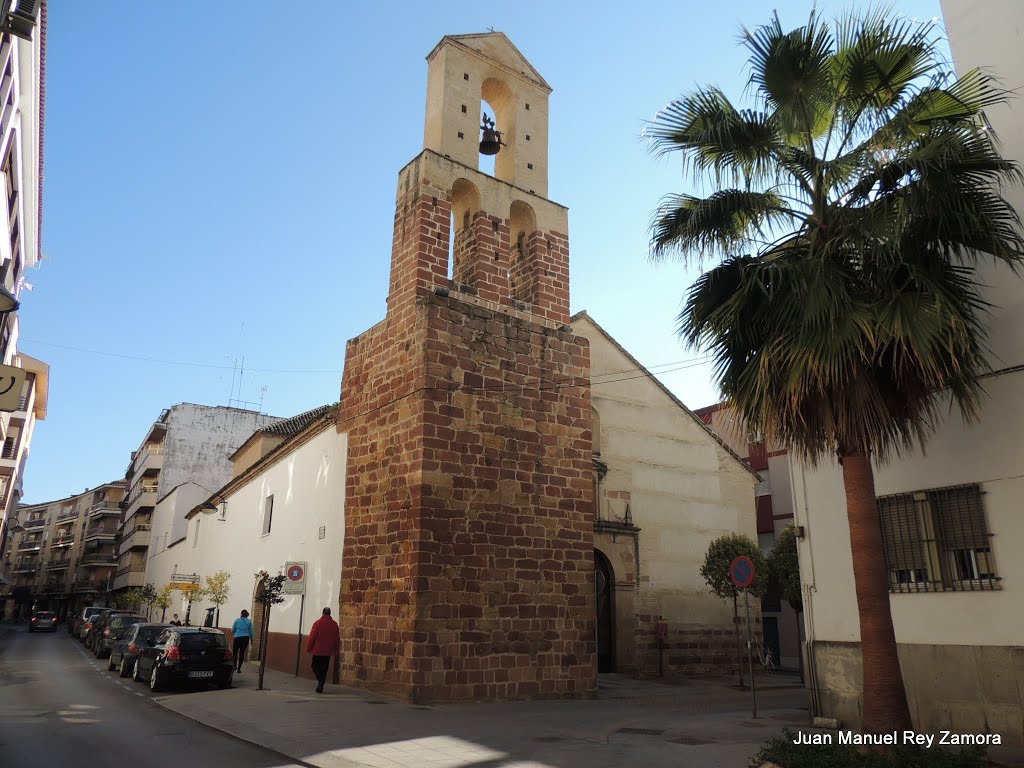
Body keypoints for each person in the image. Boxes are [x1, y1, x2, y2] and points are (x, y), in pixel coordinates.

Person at [305, 607, 340, 694]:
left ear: (323, 613)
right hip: (328, 652)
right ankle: (321, 683)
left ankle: (320, 681)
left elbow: (312, 637)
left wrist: (308, 648)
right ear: (330, 613)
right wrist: (336, 652)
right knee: (324, 668)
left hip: (318, 651)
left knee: (315, 666)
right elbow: (337, 640)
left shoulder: (318, 623)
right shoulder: (335, 625)